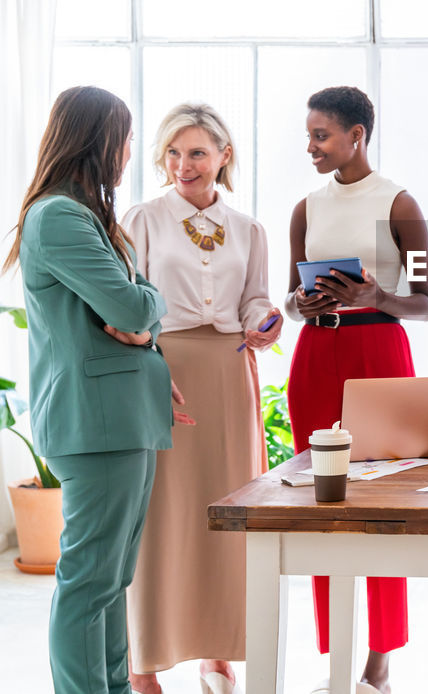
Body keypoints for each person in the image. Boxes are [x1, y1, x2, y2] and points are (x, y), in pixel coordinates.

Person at [5, 86, 192, 694]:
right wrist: (152, 308)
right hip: (96, 423)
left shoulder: (85, 215)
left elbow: (133, 317)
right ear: (98, 140)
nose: (132, 151)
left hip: (119, 419)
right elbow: (132, 307)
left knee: (111, 579)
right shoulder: (58, 216)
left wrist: (144, 323)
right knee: (91, 580)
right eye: (127, 137)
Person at [121, 103, 281, 694]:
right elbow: (125, 304)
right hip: (160, 368)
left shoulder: (250, 229)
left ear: (223, 156)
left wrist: (266, 319)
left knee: (228, 509)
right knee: (160, 513)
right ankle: (145, 661)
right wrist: (146, 367)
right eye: (172, 152)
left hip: (228, 372)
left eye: (196, 153)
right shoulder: (141, 220)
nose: (182, 165)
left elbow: (255, 301)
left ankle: (219, 652)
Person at [283, 85, 428, 694]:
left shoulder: (399, 204)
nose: (312, 147)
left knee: (380, 505)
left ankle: (379, 660)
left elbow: (426, 304)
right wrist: (302, 302)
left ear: (357, 136)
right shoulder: (305, 208)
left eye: (321, 135)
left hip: (378, 354)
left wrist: (377, 297)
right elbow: (291, 302)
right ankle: (336, 653)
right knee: (323, 503)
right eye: (309, 136)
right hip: (317, 355)